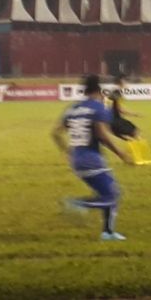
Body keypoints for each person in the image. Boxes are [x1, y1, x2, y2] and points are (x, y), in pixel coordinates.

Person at [51, 75, 133, 241]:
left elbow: (55, 133)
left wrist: (66, 151)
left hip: (78, 160)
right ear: (99, 89)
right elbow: (102, 134)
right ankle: (77, 204)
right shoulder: (98, 108)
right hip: (92, 160)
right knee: (112, 196)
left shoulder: (73, 108)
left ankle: (108, 232)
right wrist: (121, 153)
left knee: (108, 192)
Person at [109, 76, 142, 140]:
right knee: (135, 131)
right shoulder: (117, 92)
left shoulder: (113, 92)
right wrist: (134, 114)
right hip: (115, 120)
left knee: (128, 138)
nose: (126, 83)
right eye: (125, 81)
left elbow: (112, 106)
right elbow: (120, 109)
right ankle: (140, 149)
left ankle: (134, 148)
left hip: (110, 120)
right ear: (121, 82)